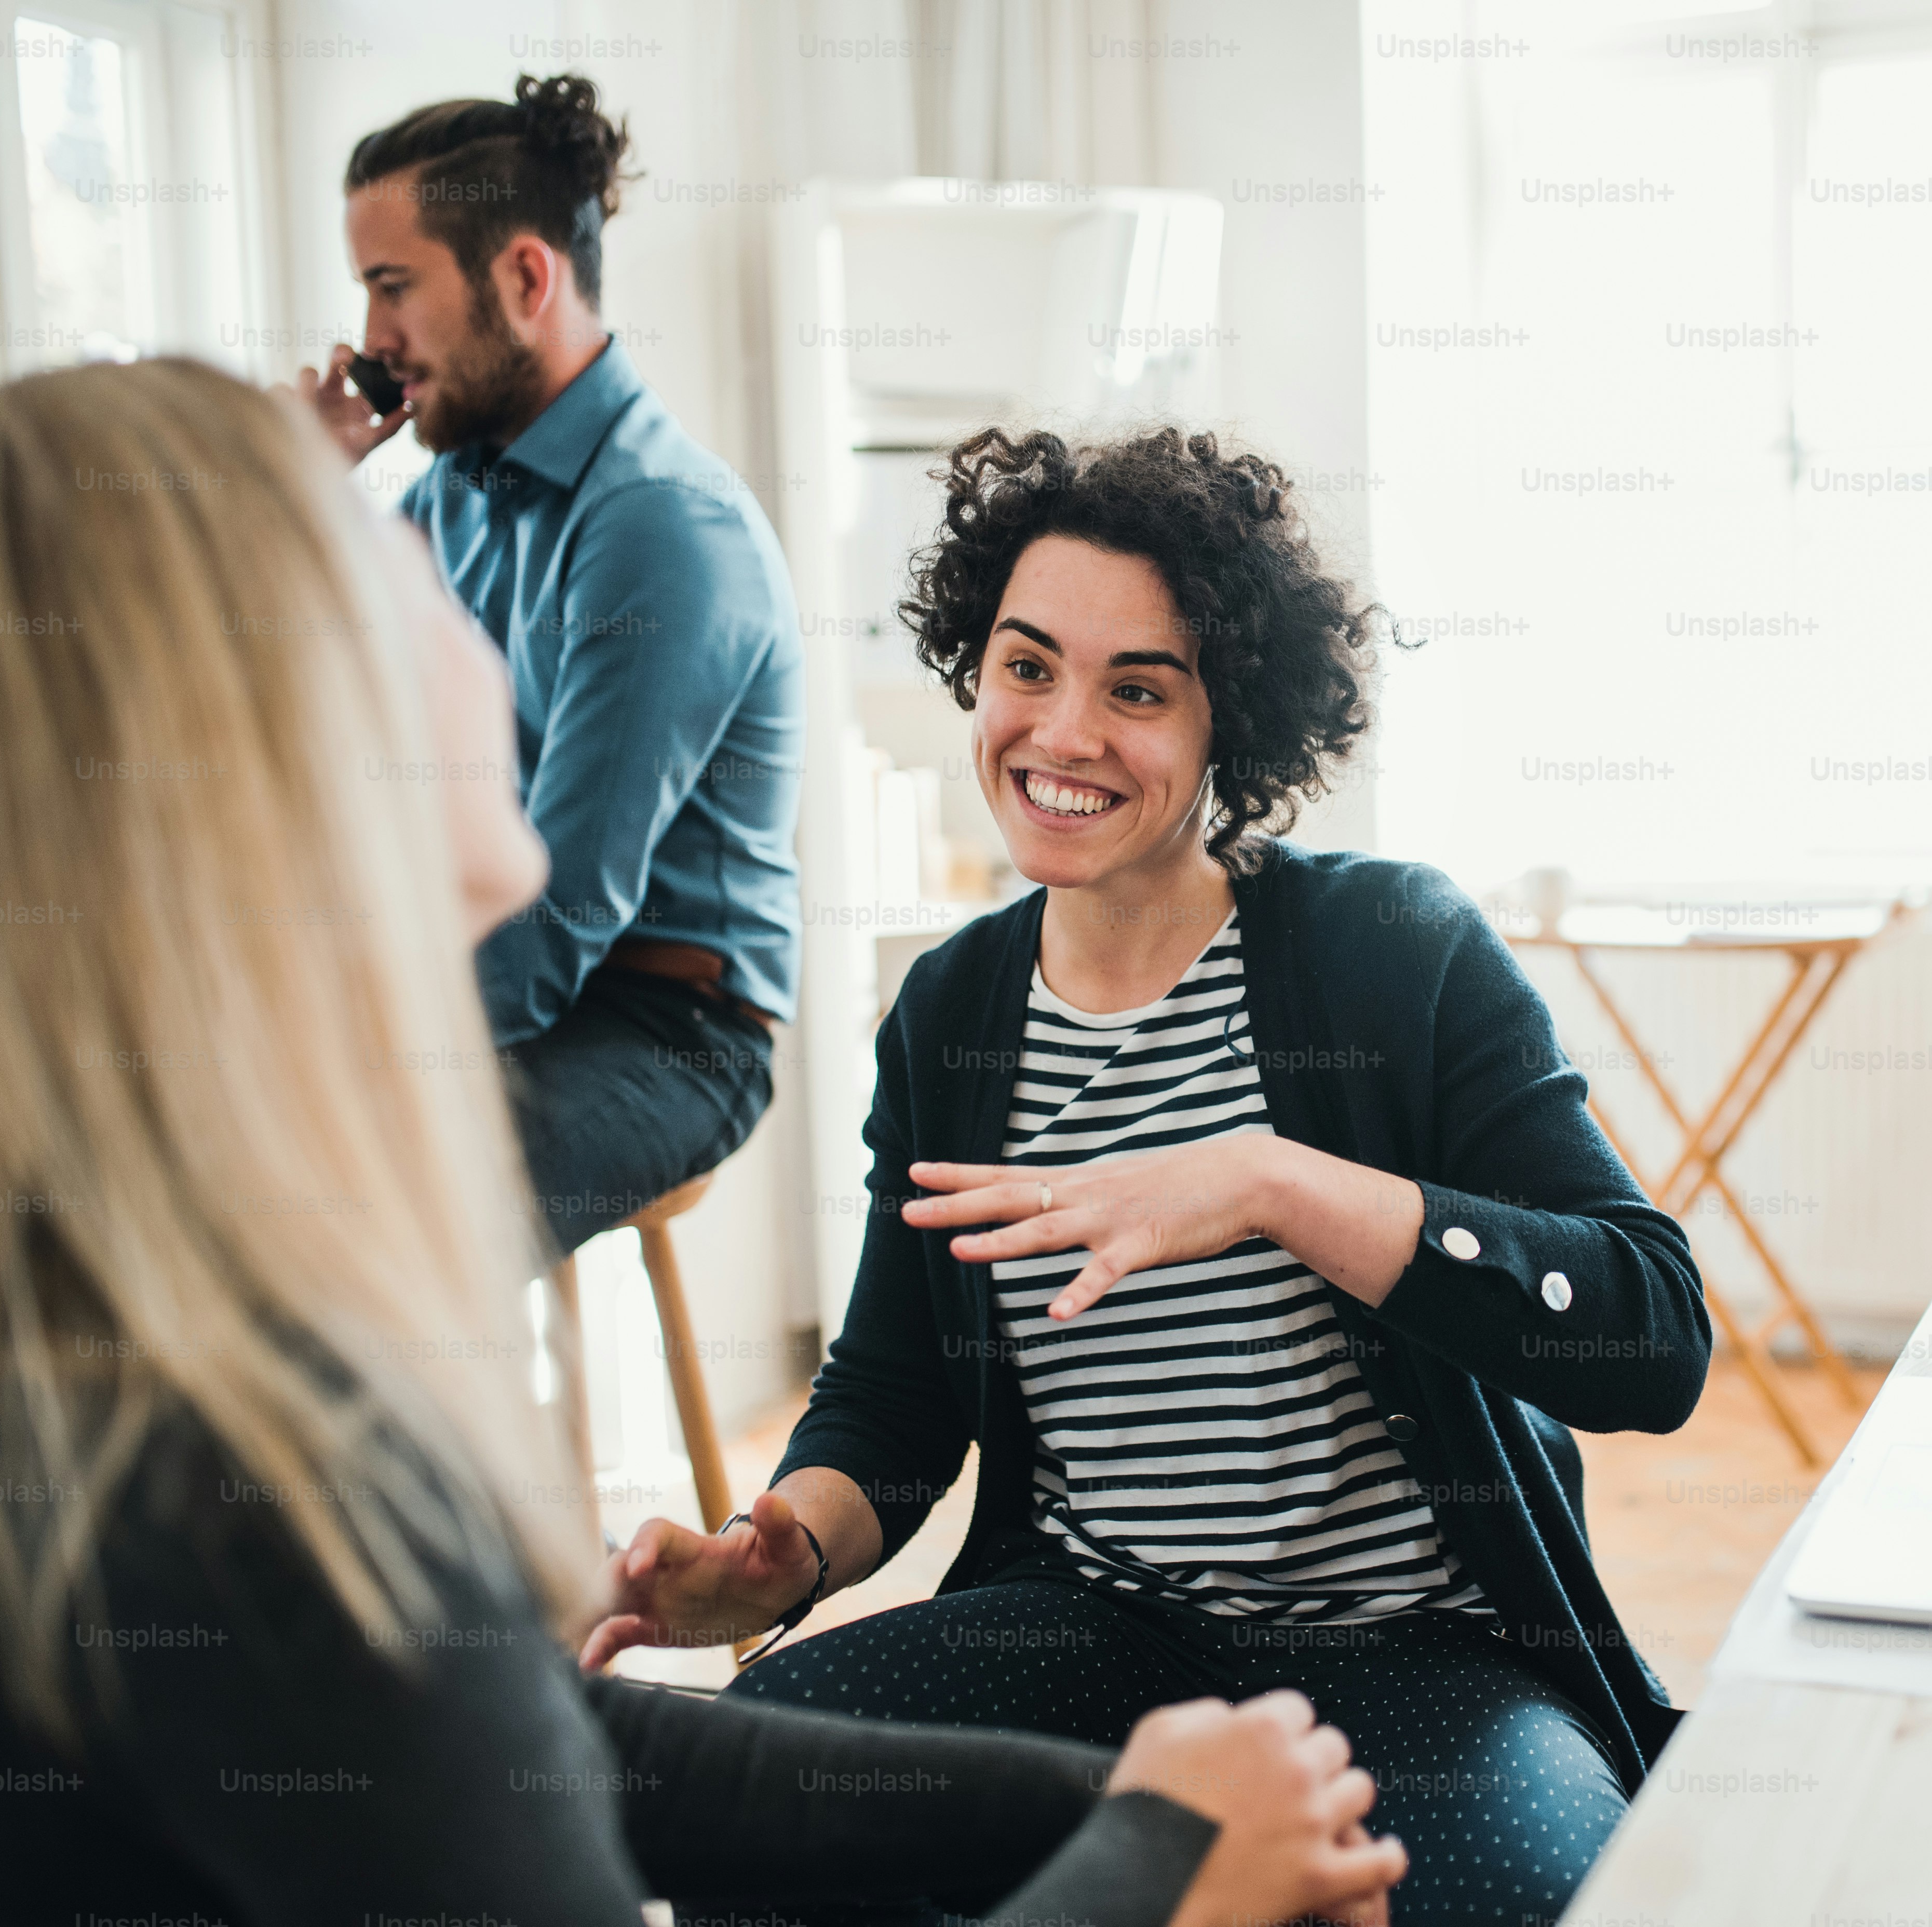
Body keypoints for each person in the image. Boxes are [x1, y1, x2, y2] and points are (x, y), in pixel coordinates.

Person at [0, 360, 1404, 1927]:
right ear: (270, 747)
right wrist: (1163, 1876)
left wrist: (1126, 1817)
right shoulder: (255, 1476)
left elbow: (531, 1760)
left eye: (1140, 685)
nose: (493, 624)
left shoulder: (85, 1364)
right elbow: (888, 1398)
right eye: (389, 566)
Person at [585, 426, 1713, 1925]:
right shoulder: (953, 1015)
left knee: (1521, 1898)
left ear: (1226, 722)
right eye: (1027, 666)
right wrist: (776, 1555)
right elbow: (899, 1392)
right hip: (1083, 1627)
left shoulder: (1392, 955)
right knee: (748, 1823)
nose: (1063, 733)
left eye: (1138, 689)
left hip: (1416, 1649)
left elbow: (1651, 1334)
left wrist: (1273, 1182)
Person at [295, 73, 800, 1254]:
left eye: (392, 287)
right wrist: (299, 498)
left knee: (358, 1235)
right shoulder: (449, 495)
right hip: (509, 976)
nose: (371, 339)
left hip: (666, 1023)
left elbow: (562, 905)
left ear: (525, 279)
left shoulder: (663, 528)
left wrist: (351, 1058)